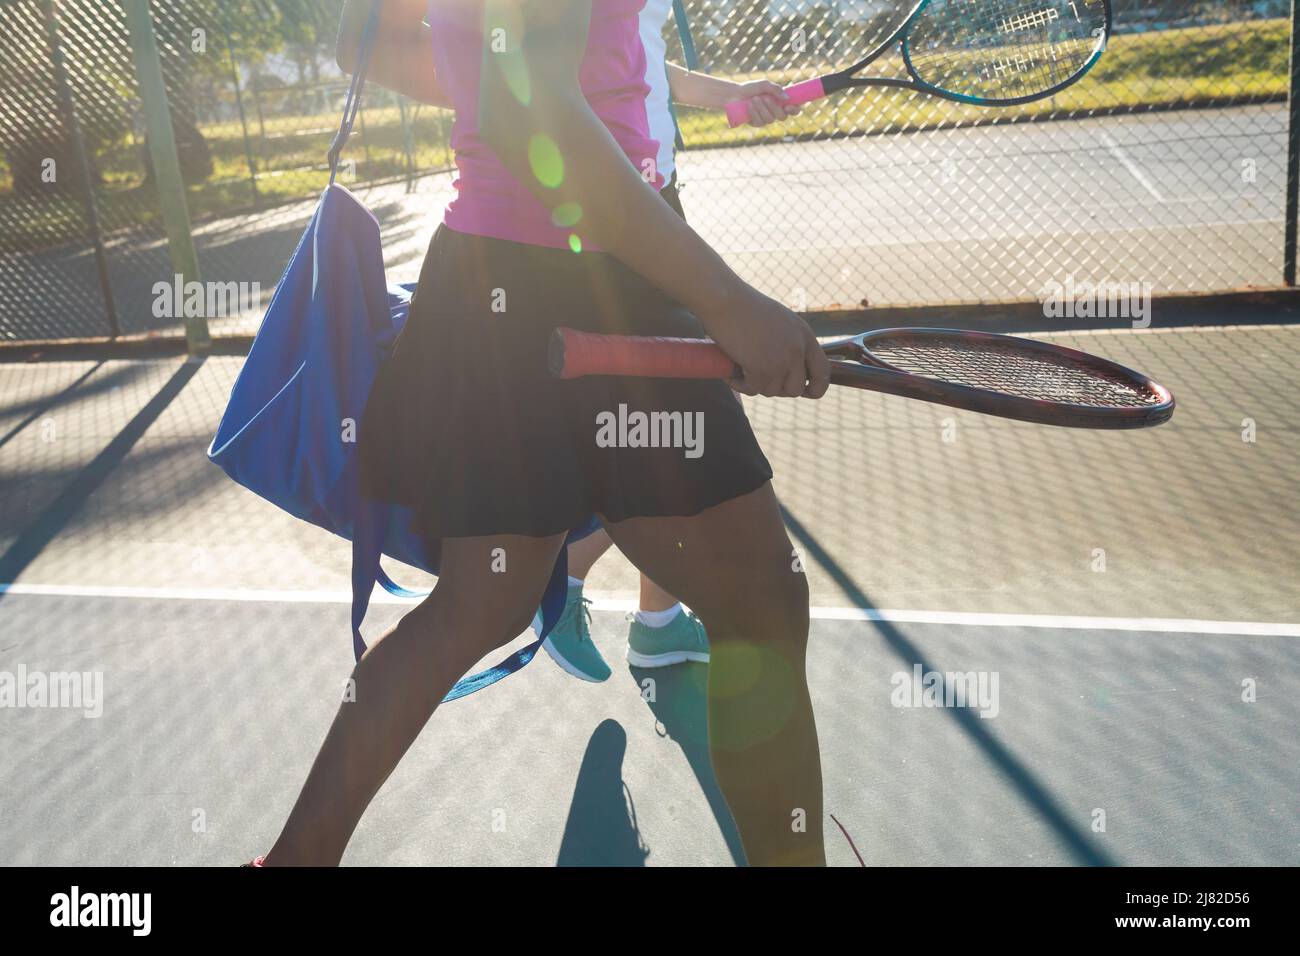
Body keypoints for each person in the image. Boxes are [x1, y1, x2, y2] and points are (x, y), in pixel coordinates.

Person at [254, 0, 830, 868]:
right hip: (588, 283)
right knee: (761, 604)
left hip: (502, 287)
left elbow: (385, 41)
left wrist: (504, 89)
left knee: (478, 604)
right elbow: (529, 105)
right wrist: (725, 302)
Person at [541, 0, 800, 683]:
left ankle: (656, 622)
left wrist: (732, 93)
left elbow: (649, 57)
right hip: (612, 219)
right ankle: (564, 575)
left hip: (655, 200)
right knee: (669, 431)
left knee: (669, 431)